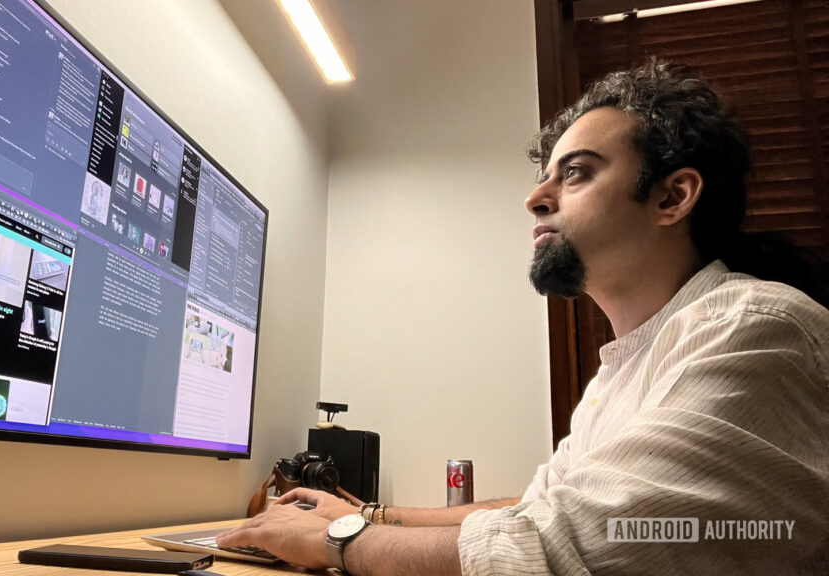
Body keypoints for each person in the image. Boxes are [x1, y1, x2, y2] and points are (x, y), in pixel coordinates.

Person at [216, 59, 829, 574]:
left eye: (576, 173)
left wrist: (339, 541)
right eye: (545, 178)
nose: (535, 198)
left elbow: (574, 542)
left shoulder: (754, 327)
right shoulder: (624, 370)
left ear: (672, 196)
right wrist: (366, 514)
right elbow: (536, 509)